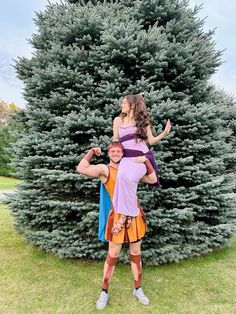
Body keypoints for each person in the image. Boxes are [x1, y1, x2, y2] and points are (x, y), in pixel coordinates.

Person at [76, 142, 157, 310]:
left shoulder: (131, 169)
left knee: (136, 253)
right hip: (117, 218)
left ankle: (138, 289)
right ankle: (104, 292)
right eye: (112, 151)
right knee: (112, 255)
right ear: (108, 153)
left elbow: (152, 179)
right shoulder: (104, 170)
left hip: (134, 216)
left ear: (122, 153)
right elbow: (82, 168)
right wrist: (91, 151)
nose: (115, 153)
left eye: (118, 151)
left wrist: (146, 160)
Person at [112, 94, 171, 233]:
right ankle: (130, 212)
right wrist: (114, 158)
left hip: (141, 158)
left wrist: (164, 133)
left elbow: (150, 141)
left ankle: (124, 217)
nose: (122, 105)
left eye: (124, 103)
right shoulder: (118, 120)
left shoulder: (143, 121)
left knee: (130, 178)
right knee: (121, 178)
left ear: (133, 105)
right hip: (125, 158)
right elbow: (116, 141)